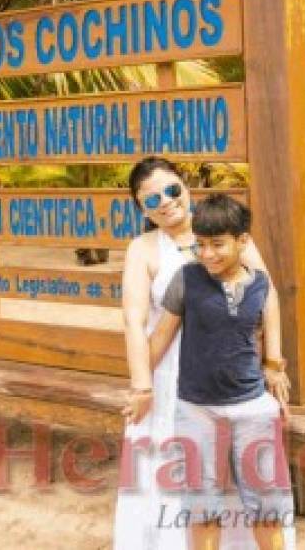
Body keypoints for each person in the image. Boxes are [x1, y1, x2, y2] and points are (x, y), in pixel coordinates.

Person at [113, 158, 293, 550]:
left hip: (233, 376)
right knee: (187, 481)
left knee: (252, 482)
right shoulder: (142, 249)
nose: (166, 202)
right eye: (152, 199)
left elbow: (266, 294)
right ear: (142, 209)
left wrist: (272, 363)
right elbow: (135, 319)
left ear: (186, 185)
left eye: (172, 190)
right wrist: (141, 385)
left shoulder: (222, 228)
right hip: (172, 379)